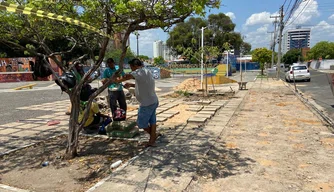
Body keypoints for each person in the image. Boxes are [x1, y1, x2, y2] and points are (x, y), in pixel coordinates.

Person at [112, 58, 159, 147]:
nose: (131, 69)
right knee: (152, 121)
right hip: (153, 101)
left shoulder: (138, 72)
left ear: (135, 66)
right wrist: (131, 85)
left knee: (141, 123)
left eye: (131, 67)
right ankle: (153, 138)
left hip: (146, 104)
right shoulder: (147, 71)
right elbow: (144, 84)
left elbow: (126, 77)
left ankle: (153, 137)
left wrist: (116, 80)